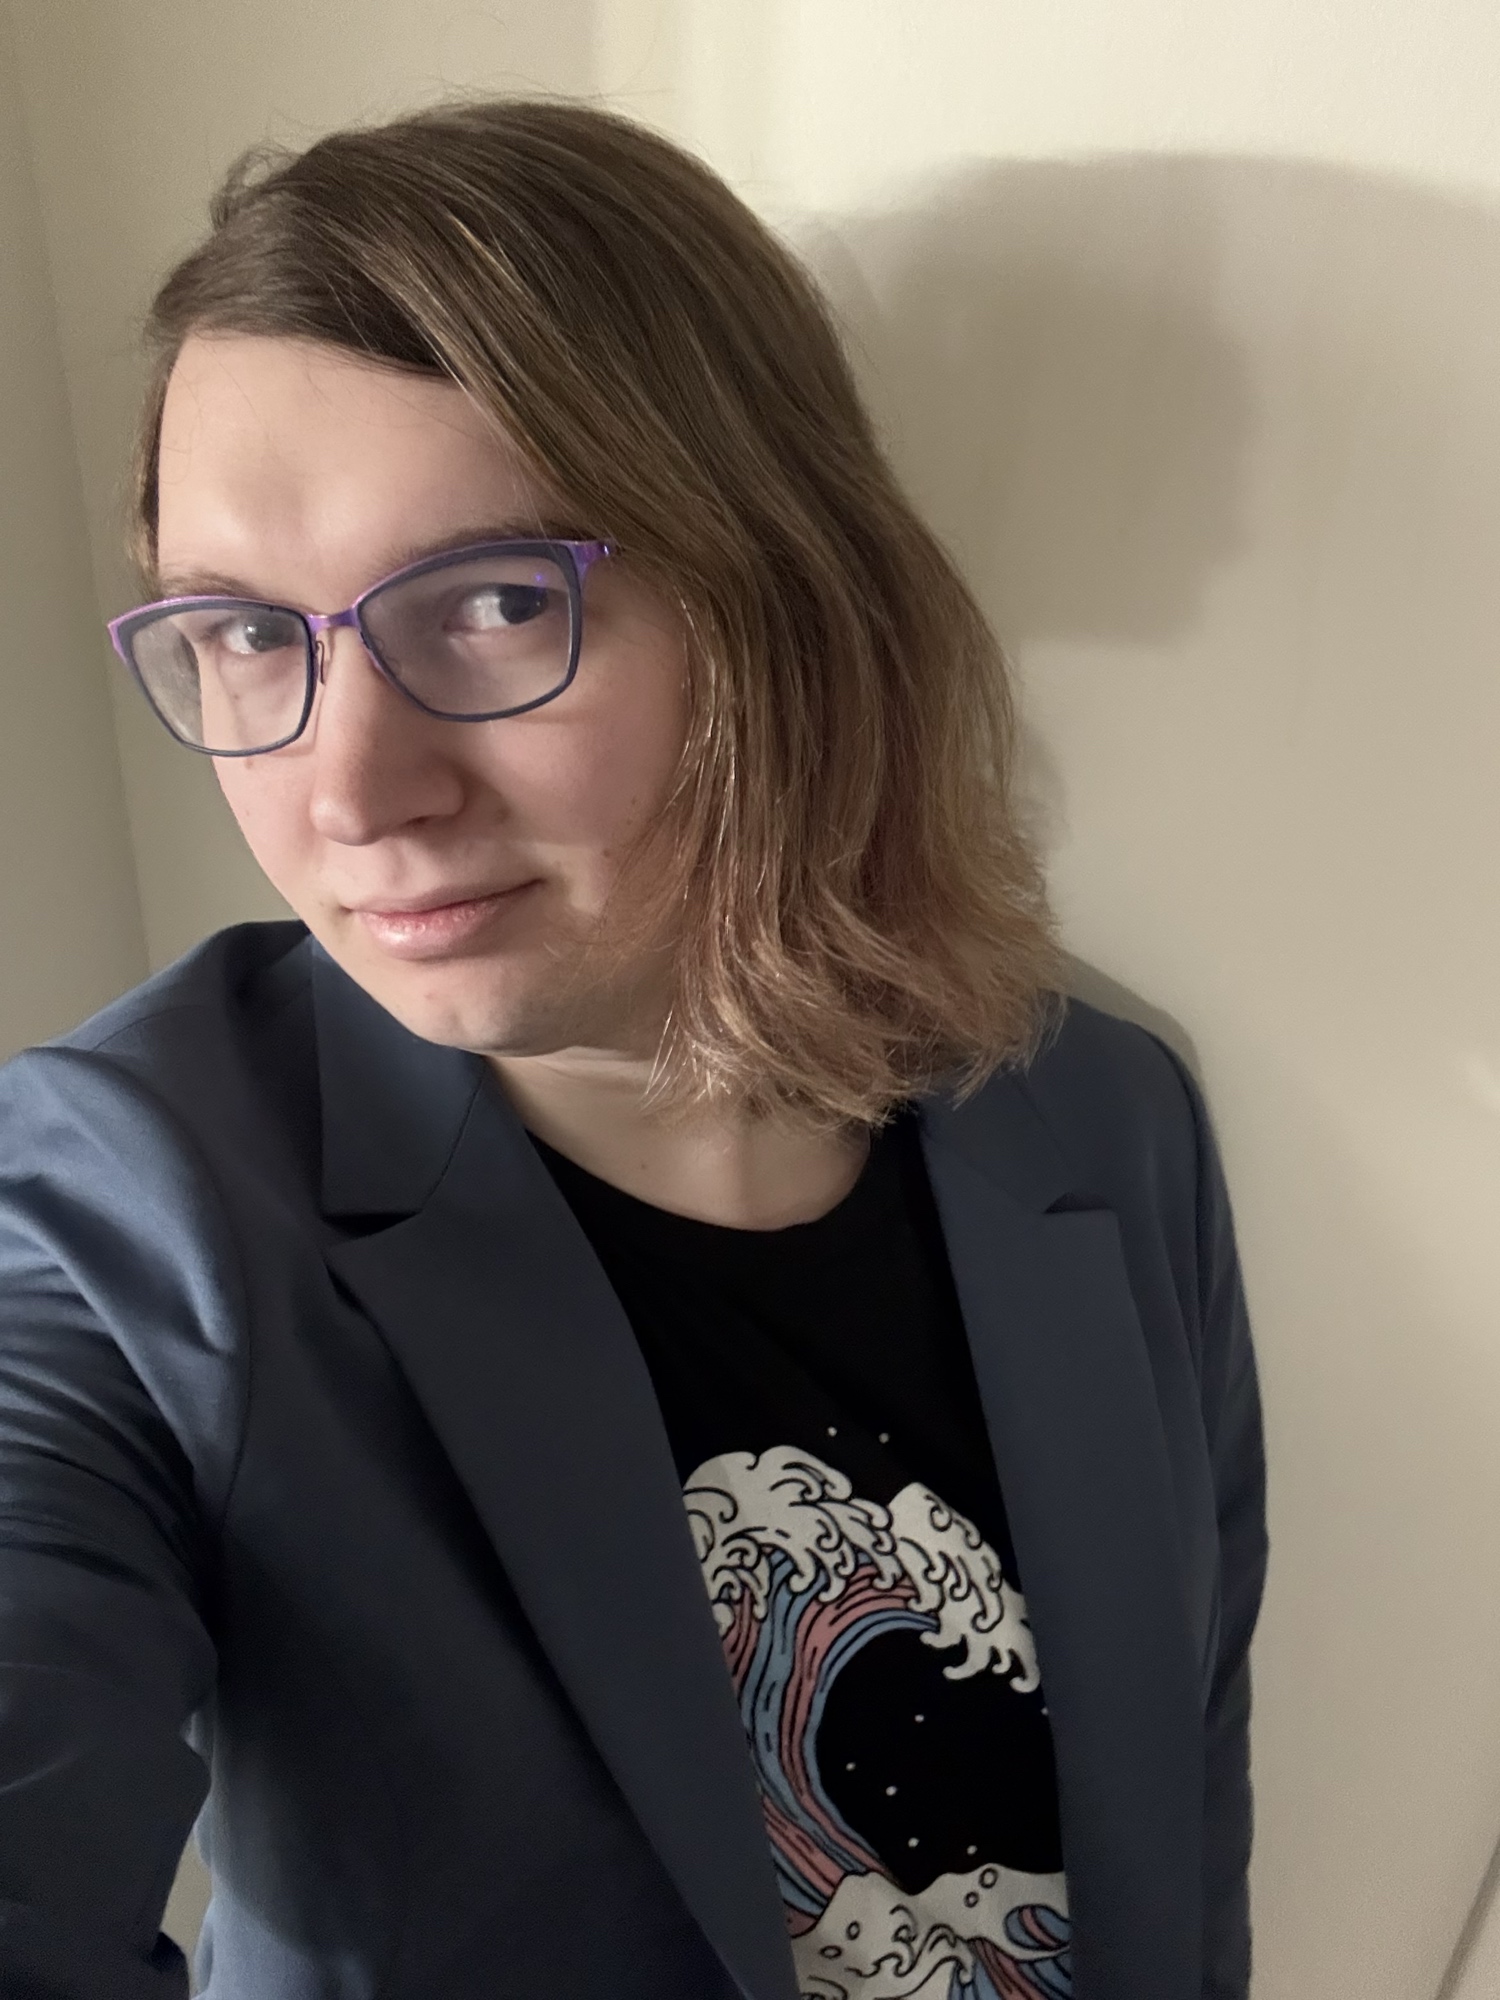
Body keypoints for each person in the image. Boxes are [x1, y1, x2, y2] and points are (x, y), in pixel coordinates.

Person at [0, 99, 1265, 2000]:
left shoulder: (1102, 1117)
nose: (350, 793)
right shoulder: (127, 1199)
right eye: (249, 634)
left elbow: (1188, 1809)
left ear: (783, 606)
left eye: (498, 602)